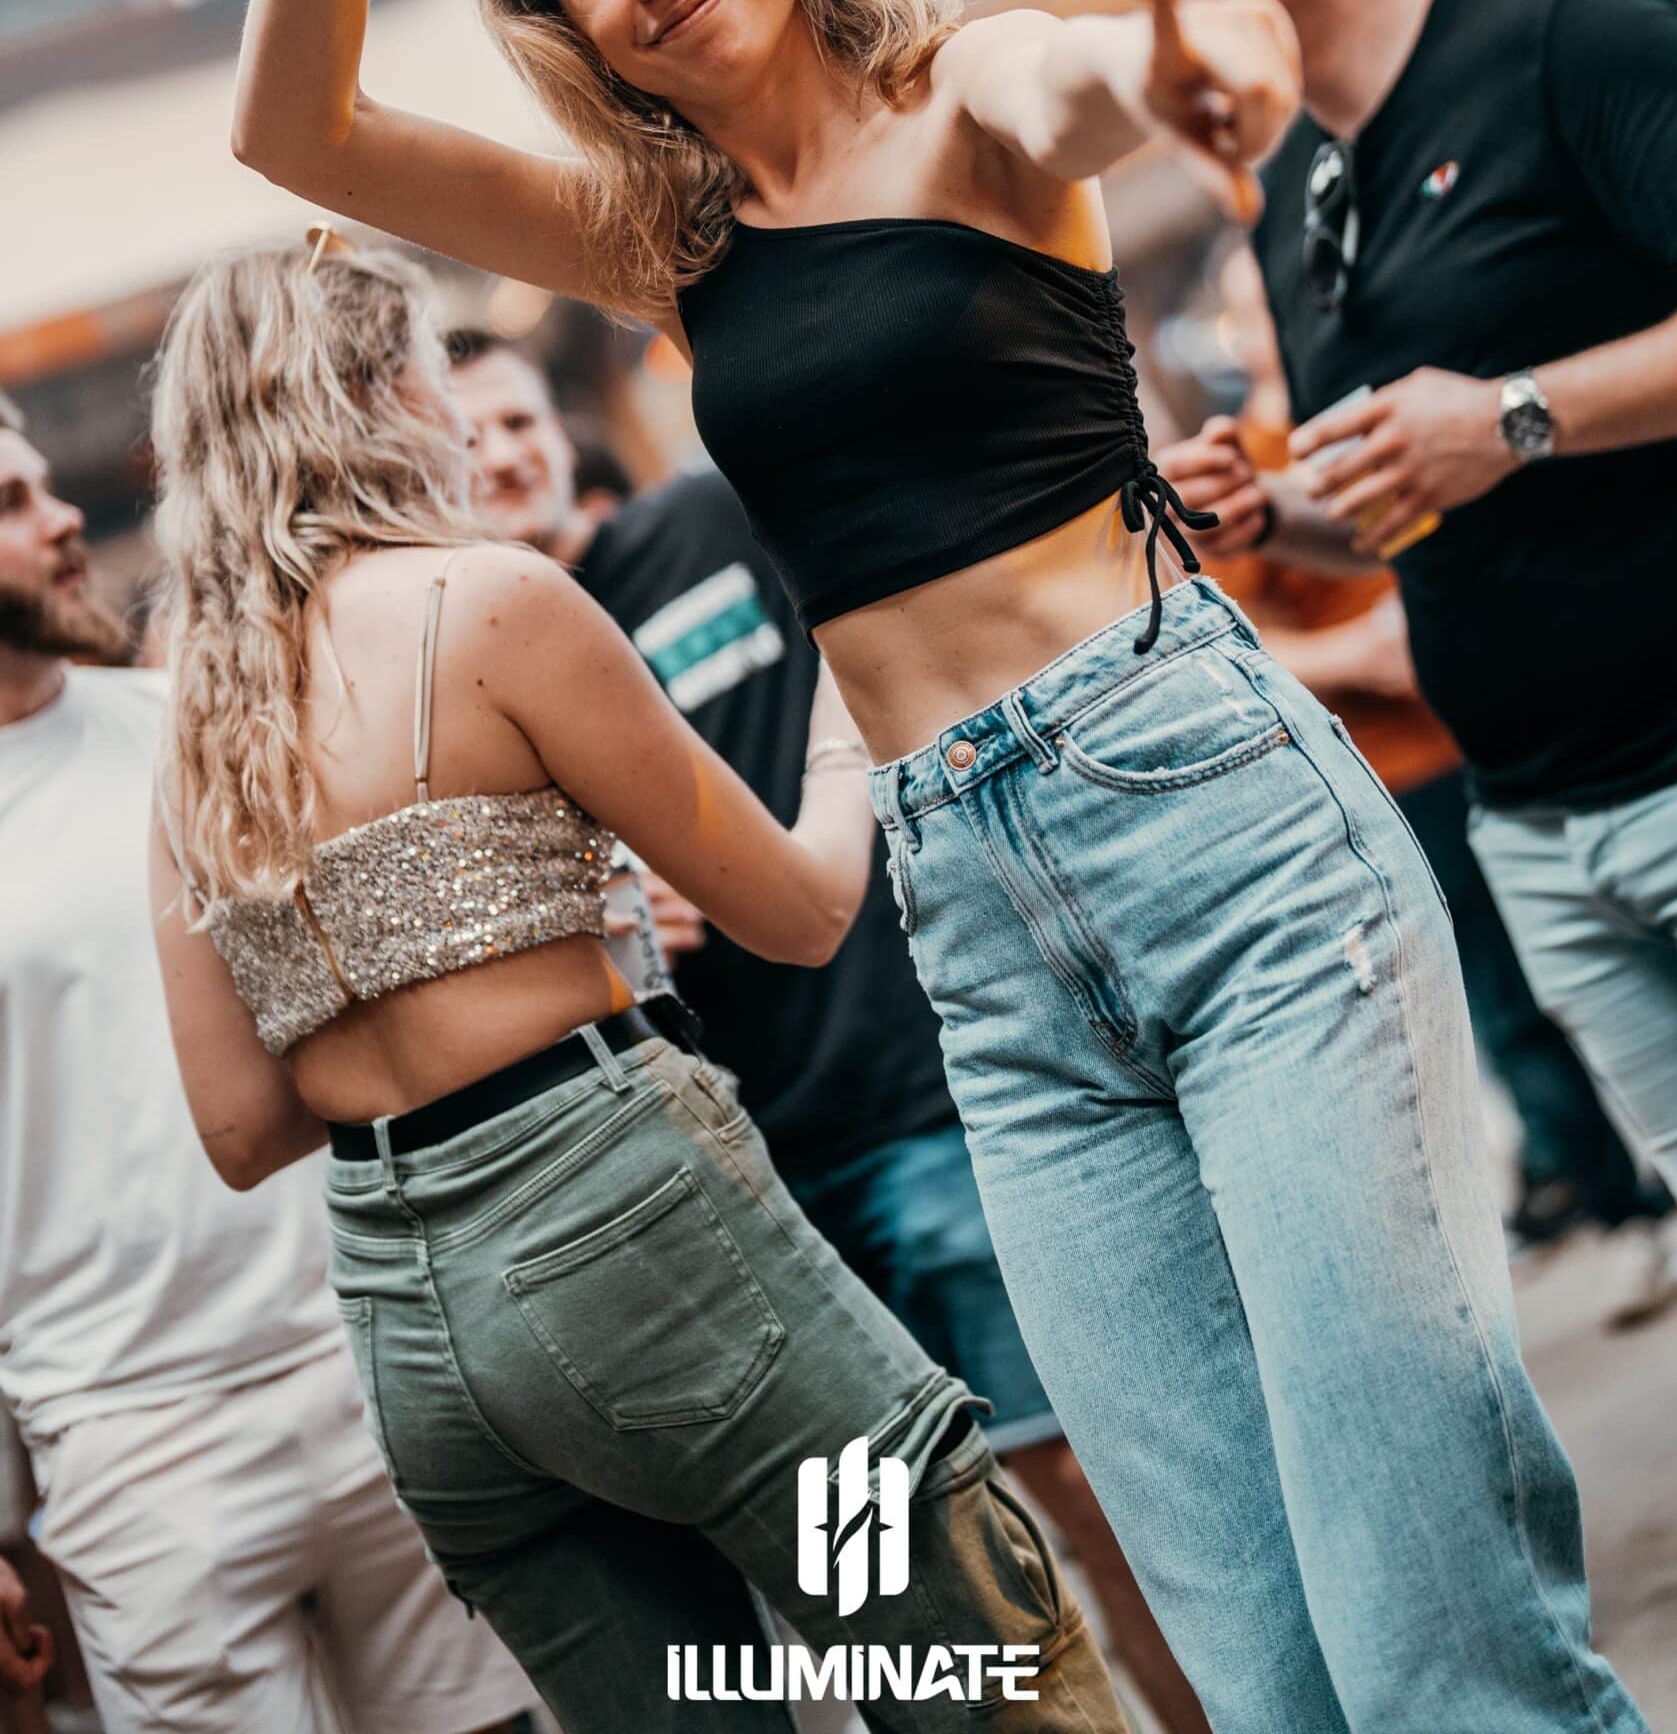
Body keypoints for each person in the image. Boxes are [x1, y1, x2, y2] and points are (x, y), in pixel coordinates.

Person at [228, 0, 1647, 1733]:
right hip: (970, 921)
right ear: (578, 30)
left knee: (1415, 1566)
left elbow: (1116, 70)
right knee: (1244, 1633)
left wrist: (1198, 66)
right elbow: (298, 126)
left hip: (1210, 816)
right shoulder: (665, 247)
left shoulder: (969, 97)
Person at [148, 240, 1126, 1734]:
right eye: (433, 371)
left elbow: (239, 1128)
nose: (458, 412)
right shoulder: (487, 601)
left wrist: (433, 947)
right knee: (965, 1653)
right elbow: (801, 910)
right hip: (637, 1254)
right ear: (382, 396)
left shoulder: (195, 722)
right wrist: (846, 719)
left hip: (413, 1332)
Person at [445, 330, 1212, 1734]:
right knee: (878, 1585)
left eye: (515, 421)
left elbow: (876, 626)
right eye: (465, 435)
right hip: (733, 1184)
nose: (501, 456)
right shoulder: (463, 677)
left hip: (906, 1088)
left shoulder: (704, 524)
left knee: (1087, 1490)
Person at [1129, 0, 1677, 1271]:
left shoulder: (1566, 36)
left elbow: (1490, 432)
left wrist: (1514, 414)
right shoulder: (1292, 191)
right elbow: (1411, 505)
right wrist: (1271, 519)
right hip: (1539, 831)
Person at [0, 390, 536, 1734]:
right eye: (10, 505)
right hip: (129, 1443)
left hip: (374, 1351)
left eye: (43, 488)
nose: (63, 519)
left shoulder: (187, 725)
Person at [1207, 245, 1677, 1314]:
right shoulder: (1253, 454)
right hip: (1407, 772)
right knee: (1513, 1008)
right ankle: (1620, 1206)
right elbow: (1236, 630)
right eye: (1252, 308)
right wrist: (1358, 646)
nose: (1272, 319)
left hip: (1508, 733)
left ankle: (1634, 1193)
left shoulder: (1376, 388)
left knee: (1585, 983)